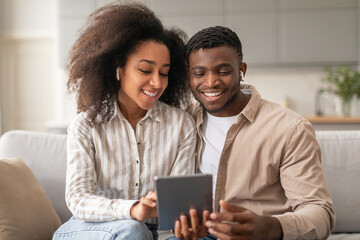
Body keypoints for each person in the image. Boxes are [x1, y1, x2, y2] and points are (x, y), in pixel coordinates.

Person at [172, 26, 335, 240]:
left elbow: (320, 213)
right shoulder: (182, 121)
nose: (211, 82)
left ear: (241, 70)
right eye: (200, 73)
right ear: (188, 75)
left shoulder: (290, 129)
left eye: (223, 71)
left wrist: (271, 227)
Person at [52, 3, 196, 240]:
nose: (157, 83)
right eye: (145, 70)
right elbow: (78, 198)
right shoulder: (86, 125)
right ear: (119, 67)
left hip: (151, 232)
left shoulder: (182, 127)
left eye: (164, 72)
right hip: (88, 227)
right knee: (133, 229)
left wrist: (164, 207)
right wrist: (132, 208)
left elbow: (177, 207)